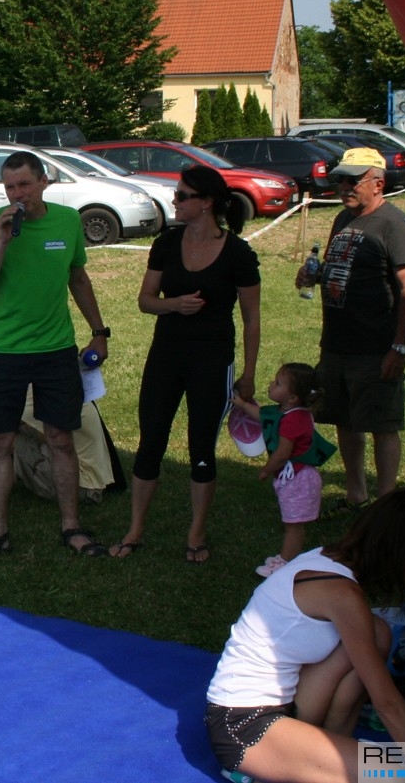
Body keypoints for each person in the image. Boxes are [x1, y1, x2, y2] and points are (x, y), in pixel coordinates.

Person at [205, 490, 405, 783]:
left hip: (283, 708)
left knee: (377, 631)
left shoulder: (324, 559)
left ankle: (330, 749)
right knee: (401, 776)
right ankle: (283, 763)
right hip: (243, 725)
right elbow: (387, 703)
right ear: (397, 552)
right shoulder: (343, 594)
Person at [0, 150, 111, 560]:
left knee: (61, 439)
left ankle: (71, 526)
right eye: (10, 187)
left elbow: (78, 277)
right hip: (4, 351)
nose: (17, 193)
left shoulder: (68, 220)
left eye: (24, 184)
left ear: (44, 182)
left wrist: (99, 333)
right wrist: (2, 242)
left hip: (55, 349)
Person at [113, 165, 260, 564]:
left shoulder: (238, 253)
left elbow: (252, 319)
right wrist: (174, 304)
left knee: (201, 448)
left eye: (181, 196)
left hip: (212, 359)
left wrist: (248, 374)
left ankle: (196, 533)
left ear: (206, 202)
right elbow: (145, 300)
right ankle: (135, 529)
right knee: (150, 442)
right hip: (166, 356)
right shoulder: (167, 242)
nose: (174, 201)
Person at [296, 147, 405, 515]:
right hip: (337, 343)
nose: (344, 187)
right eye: (341, 180)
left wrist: (398, 347)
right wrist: (314, 275)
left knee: (382, 424)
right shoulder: (342, 219)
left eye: (353, 180)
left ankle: (386, 506)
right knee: (345, 420)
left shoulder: (395, 225)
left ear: (378, 183)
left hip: (375, 346)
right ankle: (356, 495)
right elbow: (341, 268)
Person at [231, 363, 331, 578]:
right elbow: (262, 416)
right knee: (292, 522)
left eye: (277, 383)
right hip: (295, 477)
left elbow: (283, 453)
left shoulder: (294, 420)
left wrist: (266, 470)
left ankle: (285, 563)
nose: (271, 384)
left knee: (293, 525)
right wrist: (242, 405)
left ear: (292, 398)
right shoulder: (289, 413)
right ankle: (287, 558)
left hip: (298, 480)